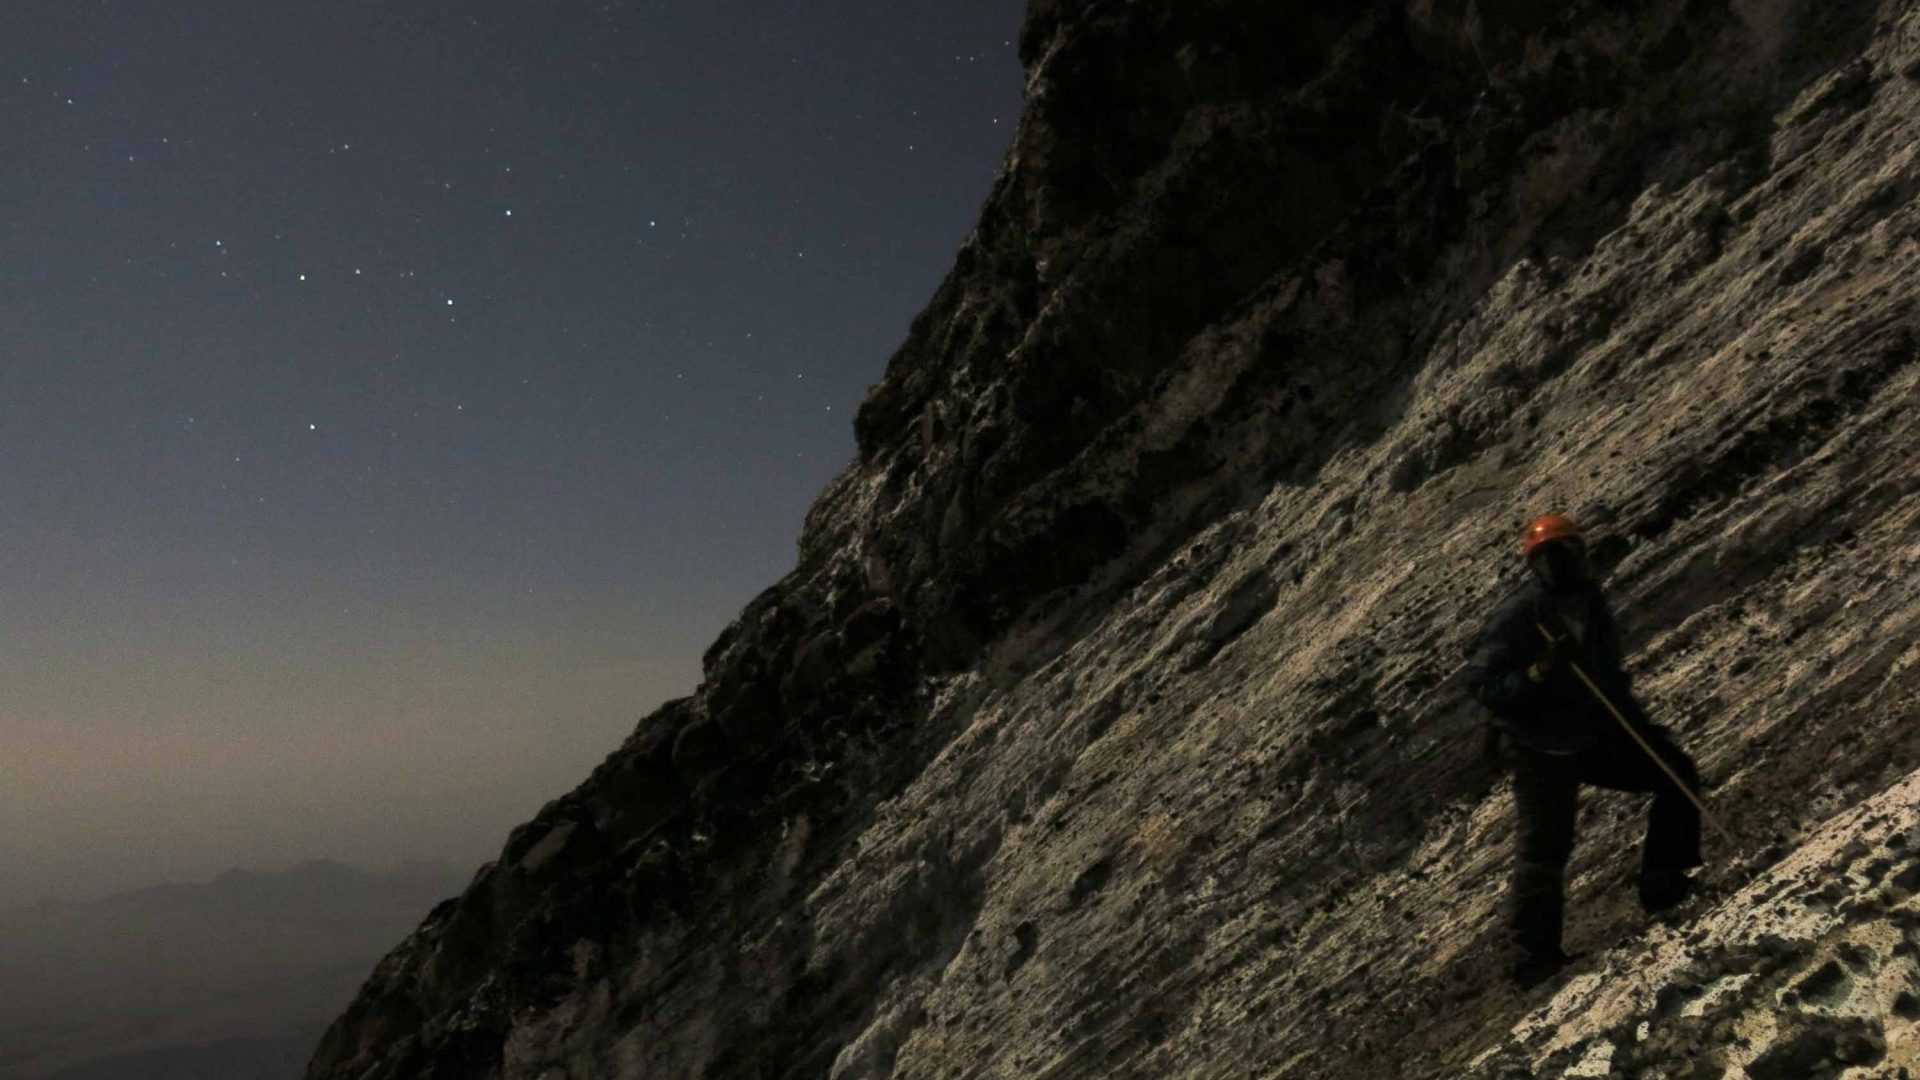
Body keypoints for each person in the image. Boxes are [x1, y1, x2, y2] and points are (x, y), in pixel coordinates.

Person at [1467, 512, 1705, 989]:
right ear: (1534, 566)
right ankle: (1533, 960)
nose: (1559, 563)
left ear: (1580, 553)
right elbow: (1482, 684)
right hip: (1538, 749)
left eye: (1565, 552)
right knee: (1544, 851)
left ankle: (1664, 883)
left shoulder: (1590, 604)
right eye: (1547, 557)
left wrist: (1642, 730)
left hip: (1590, 734)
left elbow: (1609, 679)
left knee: (1676, 774)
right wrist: (1537, 674)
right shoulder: (1520, 617)